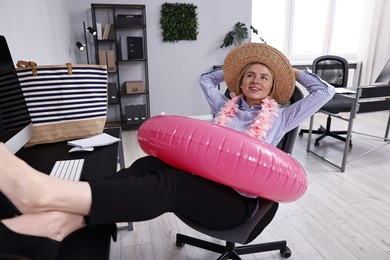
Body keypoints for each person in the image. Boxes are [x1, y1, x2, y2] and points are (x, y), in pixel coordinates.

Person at [0, 43, 335, 259]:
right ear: (239, 82)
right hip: (204, 182)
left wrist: (289, 72)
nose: (256, 80)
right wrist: (234, 69)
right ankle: (65, 221)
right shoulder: (225, 105)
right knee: (147, 163)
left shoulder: (284, 115)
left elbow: (325, 91)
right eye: (249, 75)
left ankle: (46, 194)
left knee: (173, 185)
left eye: (264, 77)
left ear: (273, 86)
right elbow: (206, 81)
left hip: (237, 203)